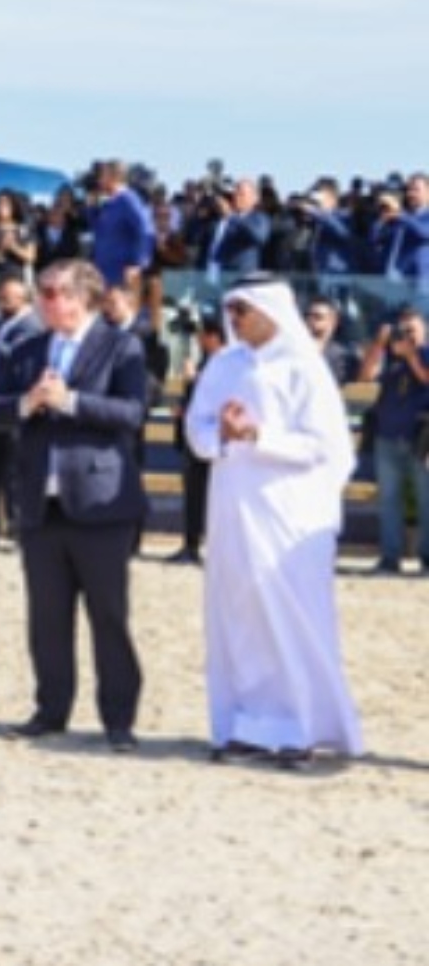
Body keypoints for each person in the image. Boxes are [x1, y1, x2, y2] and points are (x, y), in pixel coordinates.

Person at [184, 277, 364, 767]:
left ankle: (304, 729)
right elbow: (195, 427)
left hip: (290, 513)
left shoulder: (305, 368)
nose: (235, 319)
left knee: (293, 617)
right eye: (232, 310)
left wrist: (259, 435)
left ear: (271, 312)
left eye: (244, 310)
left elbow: (326, 448)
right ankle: (249, 726)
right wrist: (221, 437)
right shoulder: (223, 364)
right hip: (232, 508)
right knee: (239, 614)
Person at [0, 258, 148, 753]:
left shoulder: (122, 345)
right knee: (47, 617)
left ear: (83, 298)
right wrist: (25, 404)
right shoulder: (29, 347)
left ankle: (118, 719)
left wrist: (71, 401)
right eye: (43, 293)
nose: (45, 301)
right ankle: (50, 709)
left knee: (109, 615)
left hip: (100, 501)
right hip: (40, 500)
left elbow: (132, 412)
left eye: (55, 293)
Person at [356, 306, 429, 574]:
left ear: (425, 331)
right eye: (402, 329)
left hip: (421, 438)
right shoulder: (388, 355)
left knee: (426, 499)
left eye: (412, 330)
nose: (406, 335)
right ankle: (390, 557)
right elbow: (365, 376)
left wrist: (411, 354)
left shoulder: (424, 353)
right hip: (387, 436)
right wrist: (379, 343)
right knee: (388, 500)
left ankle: (427, 558)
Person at [0, 274, 42, 550]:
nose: (3, 299)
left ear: (23, 297)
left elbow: (16, 355)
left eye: (9, 294)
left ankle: (16, 528)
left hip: (16, 404)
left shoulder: (30, 325)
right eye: (1, 294)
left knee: (14, 472)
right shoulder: (0, 324)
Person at [169, 314, 228, 565]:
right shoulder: (206, 361)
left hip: (217, 443)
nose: (199, 339)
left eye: (203, 334)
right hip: (194, 441)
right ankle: (190, 544)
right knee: (193, 495)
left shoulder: (227, 364)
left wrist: (196, 380)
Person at [87, 161, 154, 288]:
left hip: (121, 271)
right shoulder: (109, 202)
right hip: (103, 269)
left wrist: (138, 263)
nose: (99, 180)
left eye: (103, 175)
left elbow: (145, 230)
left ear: (114, 177)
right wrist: (92, 209)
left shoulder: (129, 200)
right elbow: (98, 229)